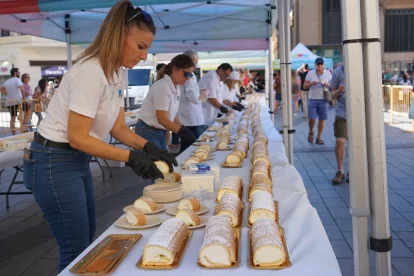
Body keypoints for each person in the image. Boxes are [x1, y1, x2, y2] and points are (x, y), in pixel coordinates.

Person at [23, 2, 177, 272]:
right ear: (119, 35)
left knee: (86, 244)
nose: (144, 56)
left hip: (73, 161)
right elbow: (78, 137)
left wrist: (149, 147)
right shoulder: (91, 72)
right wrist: (131, 157)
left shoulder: (116, 72)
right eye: (141, 46)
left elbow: (118, 128)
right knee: (75, 252)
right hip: (53, 162)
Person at [136, 54, 197, 151]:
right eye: (186, 74)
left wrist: (182, 128)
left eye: (190, 75)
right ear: (175, 69)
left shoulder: (176, 87)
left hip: (159, 131)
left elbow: (171, 114)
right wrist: (181, 131)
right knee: (156, 164)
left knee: (163, 162)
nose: (188, 78)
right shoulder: (163, 86)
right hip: (148, 131)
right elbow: (162, 119)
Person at [176, 49, 207, 152]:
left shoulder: (185, 73)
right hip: (190, 118)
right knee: (192, 148)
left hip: (187, 116)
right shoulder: (189, 74)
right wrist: (203, 94)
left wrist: (199, 91)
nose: (196, 63)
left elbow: (188, 91)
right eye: (195, 61)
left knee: (187, 146)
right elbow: (193, 96)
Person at [303, 57, 332, 145]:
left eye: (321, 64)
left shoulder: (327, 73)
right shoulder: (310, 73)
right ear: (315, 65)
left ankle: (319, 137)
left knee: (322, 119)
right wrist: (311, 83)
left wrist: (327, 84)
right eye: (318, 64)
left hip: (323, 99)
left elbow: (332, 85)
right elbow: (304, 86)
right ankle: (311, 132)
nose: (319, 66)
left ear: (323, 65)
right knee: (311, 118)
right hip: (313, 99)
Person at [199, 63, 233, 131]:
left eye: (227, 76)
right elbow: (211, 98)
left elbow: (223, 97)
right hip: (204, 115)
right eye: (226, 75)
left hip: (212, 115)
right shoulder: (211, 77)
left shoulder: (219, 80)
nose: (226, 78)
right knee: (203, 137)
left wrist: (231, 104)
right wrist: (221, 107)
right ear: (220, 70)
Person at [330, 64, 349, 184]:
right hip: (342, 113)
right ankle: (340, 170)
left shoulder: (361, 67)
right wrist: (339, 91)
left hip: (358, 113)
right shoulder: (337, 72)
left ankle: (352, 170)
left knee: (354, 144)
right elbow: (332, 95)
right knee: (340, 141)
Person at [0, 68, 25, 135]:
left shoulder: (7, 81)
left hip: (10, 101)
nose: (19, 73)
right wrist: (24, 98)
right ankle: (22, 131)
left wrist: (6, 93)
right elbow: (22, 88)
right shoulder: (17, 80)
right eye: (18, 72)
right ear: (15, 73)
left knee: (12, 118)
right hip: (18, 101)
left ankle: (13, 134)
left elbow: (1, 89)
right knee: (22, 116)